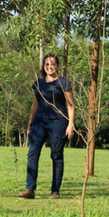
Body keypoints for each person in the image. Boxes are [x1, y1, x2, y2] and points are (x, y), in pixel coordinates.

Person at [19, 54, 75, 200]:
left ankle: (55, 191)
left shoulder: (64, 83)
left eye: (53, 64)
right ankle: (29, 189)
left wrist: (70, 124)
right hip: (39, 123)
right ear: (44, 67)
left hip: (58, 122)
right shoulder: (38, 83)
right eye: (47, 65)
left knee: (56, 155)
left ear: (57, 66)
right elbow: (35, 104)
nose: (50, 67)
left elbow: (70, 105)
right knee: (33, 153)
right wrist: (30, 124)